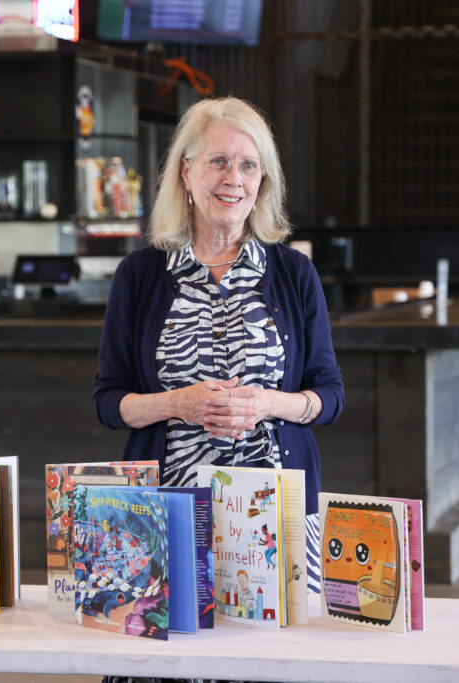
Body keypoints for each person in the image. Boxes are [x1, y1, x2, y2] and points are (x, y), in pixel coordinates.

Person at [93, 97, 344, 601]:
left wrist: (267, 403)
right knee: (172, 657)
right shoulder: (139, 275)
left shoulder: (294, 274)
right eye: (218, 161)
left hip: (277, 515)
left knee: (275, 662)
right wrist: (178, 404)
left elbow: (330, 396)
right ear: (186, 173)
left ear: (262, 182)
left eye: (249, 165)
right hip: (166, 508)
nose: (234, 178)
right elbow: (108, 402)